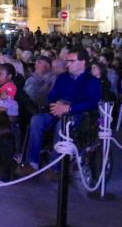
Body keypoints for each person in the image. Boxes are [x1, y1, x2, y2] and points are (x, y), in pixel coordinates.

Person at [17, 48, 101, 177]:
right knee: (36, 120)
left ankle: (55, 167)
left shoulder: (91, 80)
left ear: (82, 63)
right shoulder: (63, 77)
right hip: (56, 110)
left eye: (71, 61)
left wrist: (69, 108)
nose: (67, 64)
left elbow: (92, 102)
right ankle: (32, 163)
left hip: (78, 115)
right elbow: (51, 96)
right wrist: (56, 105)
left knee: (62, 124)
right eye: (67, 61)